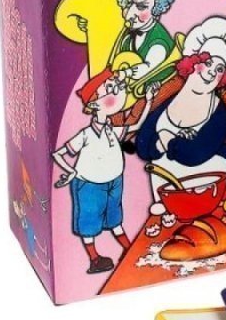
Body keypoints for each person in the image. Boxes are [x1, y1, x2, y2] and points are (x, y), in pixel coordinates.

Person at [52, 69, 157, 274]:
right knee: (89, 222)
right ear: (93, 104)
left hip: (114, 180)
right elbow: (58, 154)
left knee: (115, 217)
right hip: (90, 185)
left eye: (117, 87)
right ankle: (94, 259)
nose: (118, 92)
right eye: (111, 89)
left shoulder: (111, 129)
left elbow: (136, 124)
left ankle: (128, 249)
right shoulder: (86, 134)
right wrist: (71, 172)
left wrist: (149, 100)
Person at [136, 17, 226, 219]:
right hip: (169, 192)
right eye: (207, 63)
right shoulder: (167, 101)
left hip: (212, 188)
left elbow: (194, 154)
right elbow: (142, 146)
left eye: (219, 69)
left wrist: (166, 137)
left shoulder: (219, 112)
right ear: (192, 62)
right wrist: (161, 143)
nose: (211, 72)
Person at [112, 0, 178, 88]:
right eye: (129, 4)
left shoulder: (159, 40)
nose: (131, 13)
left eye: (141, 7)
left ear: (155, 11)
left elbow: (148, 67)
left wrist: (126, 73)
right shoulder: (129, 37)